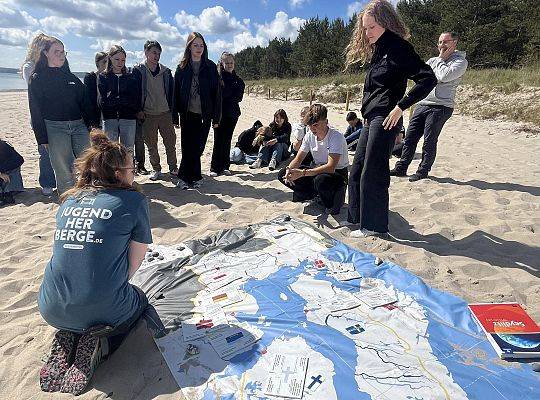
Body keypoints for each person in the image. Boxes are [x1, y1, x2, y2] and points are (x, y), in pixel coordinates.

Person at [38, 130, 162, 395]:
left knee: (97, 300)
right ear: (118, 173)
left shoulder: (69, 199)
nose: (134, 173)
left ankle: (72, 332)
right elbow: (135, 261)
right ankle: (100, 344)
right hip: (103, 307)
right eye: (133, 168)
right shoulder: (133, 200)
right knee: (139, 300)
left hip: (50, 305)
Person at [344, 0, 437, 237]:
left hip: (386, 118)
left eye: (371, 28)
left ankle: (374, 228)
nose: (367, 33)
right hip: (370, 118)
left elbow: (428, 79)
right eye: (364, 29)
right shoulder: (378, 49)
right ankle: (356, 220)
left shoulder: (399, 48)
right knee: (357, 170)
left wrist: (401, 108)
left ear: (386, 23)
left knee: (373, 172)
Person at [391, 31, 468, 181]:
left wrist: (440, 60)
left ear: (454, 43)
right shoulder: (432, 60)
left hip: (441, 106)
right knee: (411, 137)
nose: (442, 45)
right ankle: (401, 167)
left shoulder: (460, 62)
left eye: (445, 42)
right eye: (440, 42)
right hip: (422, 103)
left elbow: (444, 76)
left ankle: (422, 171)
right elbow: (423, 79)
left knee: (429, 140)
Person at [28, 36, 91, 195]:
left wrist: (91, 126)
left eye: (63, 52)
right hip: (54, 128)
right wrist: (42, 139)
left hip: (78, 126)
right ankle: (67, 201)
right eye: (57, 52)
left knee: (89, 163)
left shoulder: (71, 78)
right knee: (63, 169)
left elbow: (86, 103)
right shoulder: (37, 79)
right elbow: (35, 111)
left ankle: (89, 196)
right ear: (45, 53)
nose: (61, 55)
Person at [278, 104, 349, 215]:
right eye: (310, 125)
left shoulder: (336, 136)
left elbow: (331, 167)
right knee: (282, 174)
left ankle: (331, 201)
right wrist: (289, 170)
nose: (312, 128)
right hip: (317, 169)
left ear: (326, 121)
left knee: (320, 180)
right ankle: (314, 195)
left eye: (315, 125)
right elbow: (298, 159)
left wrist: (303, 173)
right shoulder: (309, 135)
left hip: (337, 172)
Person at [174, 32, 221, 189]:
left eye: (201, 45)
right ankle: (185, 178)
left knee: (198, 147)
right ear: (189, 46)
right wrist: (175, 115)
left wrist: (216, 117)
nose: (199, 48)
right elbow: (175, 93)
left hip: (205, 114)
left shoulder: (210, 67)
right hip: (187, 114)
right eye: (195, 45)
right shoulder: (181, 68)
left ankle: (192, 175)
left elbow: (217, 94)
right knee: (188, 147)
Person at [133, 40, 178, 179]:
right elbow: (134, 92)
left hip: (165, 113)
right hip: (148, 114)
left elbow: (172, 94)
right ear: (146, 53)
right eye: (153, 52)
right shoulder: (138, 71)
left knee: (170, 143)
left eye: (158, 53)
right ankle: (156, 169)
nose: (156, 56)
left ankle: (173, 168)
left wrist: (173, 114)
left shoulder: (166, 72)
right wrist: (138, 110)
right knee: (151, 145)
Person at [22, 33, 56, 196]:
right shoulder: (29, 66)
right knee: (45, 150)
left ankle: (56, 180)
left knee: (58, 150)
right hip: (39, 116)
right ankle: (47, 183)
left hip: (56, 114)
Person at [98, 45, 141, 155]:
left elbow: (134, 99)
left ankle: (128, 172)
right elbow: (103, 101)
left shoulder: (131, 77)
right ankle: (112, 173)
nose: (120, 62)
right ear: (110, 58)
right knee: (110, 152)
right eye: (117, 59)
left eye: (123, 60)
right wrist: (122, 98)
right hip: (109, 118)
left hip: (128, 117)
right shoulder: (103, 76)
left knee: (128, 151)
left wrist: (114, 96)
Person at [210, 52, 245, 176]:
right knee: (218, 140)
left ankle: (225, 166)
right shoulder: (217, 78)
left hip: (233, 114)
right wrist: (229, 93)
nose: (229, 65)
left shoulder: (238, 80)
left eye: (231, 62)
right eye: (227, 63)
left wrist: (229, 92)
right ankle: (214, 167)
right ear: (222, 63)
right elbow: (219, 97)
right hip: (219, 115)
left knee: (227, 140)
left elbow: (238, 97)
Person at [83, 51, 107, 129]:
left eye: (108, 62)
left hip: (107, 117)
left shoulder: (110, 78)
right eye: (104, 62)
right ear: (97, 63)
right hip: (94, 117)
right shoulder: (90, 77)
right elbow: (88, 99)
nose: (106, 64)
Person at [0, 138, 24, 206]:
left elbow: (19, 160)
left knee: (13, 169)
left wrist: (2, 171)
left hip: (9, 173)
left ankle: (8, 192)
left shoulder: (4, 146)